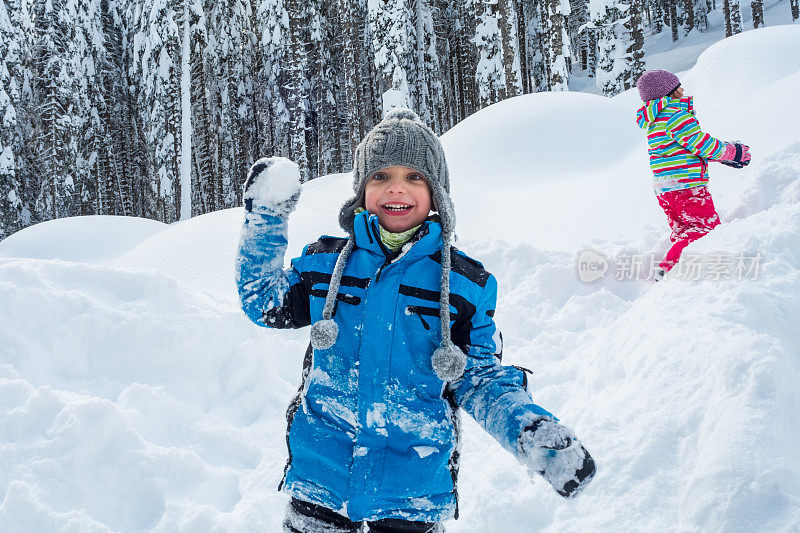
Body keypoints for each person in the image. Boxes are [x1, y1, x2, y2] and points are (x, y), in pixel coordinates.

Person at [236, 108, 595, 533]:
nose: (396, 189)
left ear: (436, 193)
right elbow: (264, 301)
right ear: (361, 191)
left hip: (413, 495)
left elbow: (479, 379)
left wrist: (530, 431)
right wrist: (266, 219)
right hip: (321, 483)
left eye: (414, 177)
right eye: (381, 176)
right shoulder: (325, 263)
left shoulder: (465, 286)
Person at [635, 70, 751, 281]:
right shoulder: (675, 116)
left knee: (684, 231)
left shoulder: (656, 120)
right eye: (677, 87)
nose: (683, 89)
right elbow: (701, 145)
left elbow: (687, 149)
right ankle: (668, 272)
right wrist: (733, 152)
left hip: (666, 189)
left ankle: (674, 272)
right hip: (686, 186)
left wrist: (723, 157)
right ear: (668, 94)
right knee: (705, 229)